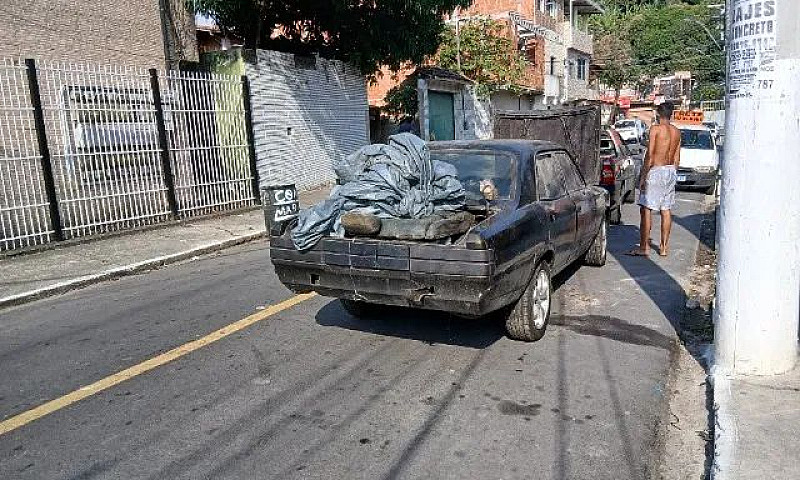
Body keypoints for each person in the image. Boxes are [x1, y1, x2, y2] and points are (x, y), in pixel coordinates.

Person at [628, 102, 681, 257]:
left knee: (646, 209)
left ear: (658, 113)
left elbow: (650, 155)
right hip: (670, 170)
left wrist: (643, 177)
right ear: (670, 114)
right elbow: (677, 158)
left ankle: (644, 247)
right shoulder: (677, 132)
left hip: (656, 170)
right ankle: (664, 247)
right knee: (666, 209)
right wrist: (671, 173)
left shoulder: (655, 129)